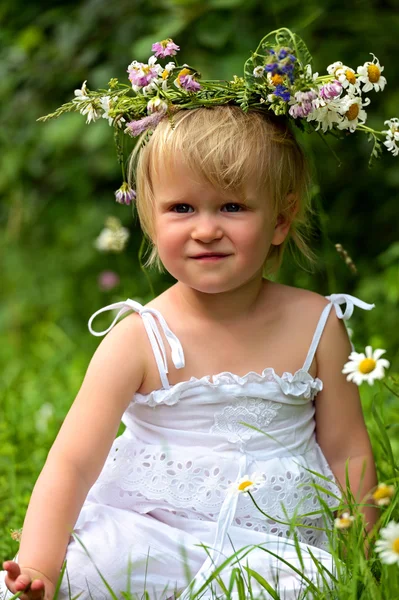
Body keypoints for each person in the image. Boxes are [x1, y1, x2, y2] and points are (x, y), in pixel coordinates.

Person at [2, 27, 391, 600]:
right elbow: (73, 462)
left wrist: (364, 555)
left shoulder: (316, 326)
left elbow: (347, 449)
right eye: (182, 208)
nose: (206, 228)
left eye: (232, 207)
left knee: (306, 585)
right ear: (152, 222)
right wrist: (40, 563)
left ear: (280, 220)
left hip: (274, 544)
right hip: (152, 534)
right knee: (97, 563)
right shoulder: (141, 336)